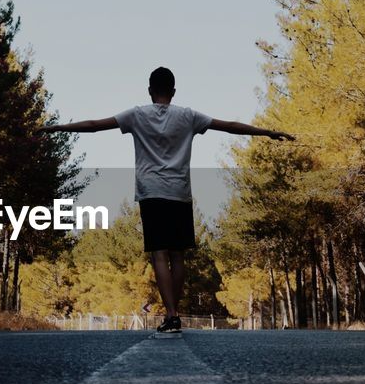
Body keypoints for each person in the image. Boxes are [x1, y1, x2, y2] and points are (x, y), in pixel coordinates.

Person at [39, 66, 293, 334]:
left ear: (150, 91)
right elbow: (229, 127)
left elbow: (94, 126)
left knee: (159, 253)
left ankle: (171, 314)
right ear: (173, 91)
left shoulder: (136, 115)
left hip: (151, 192)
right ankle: (174, 312)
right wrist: (266, 132)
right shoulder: (188, 116)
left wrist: (57, 128)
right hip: (179, 191)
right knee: (178, 255)